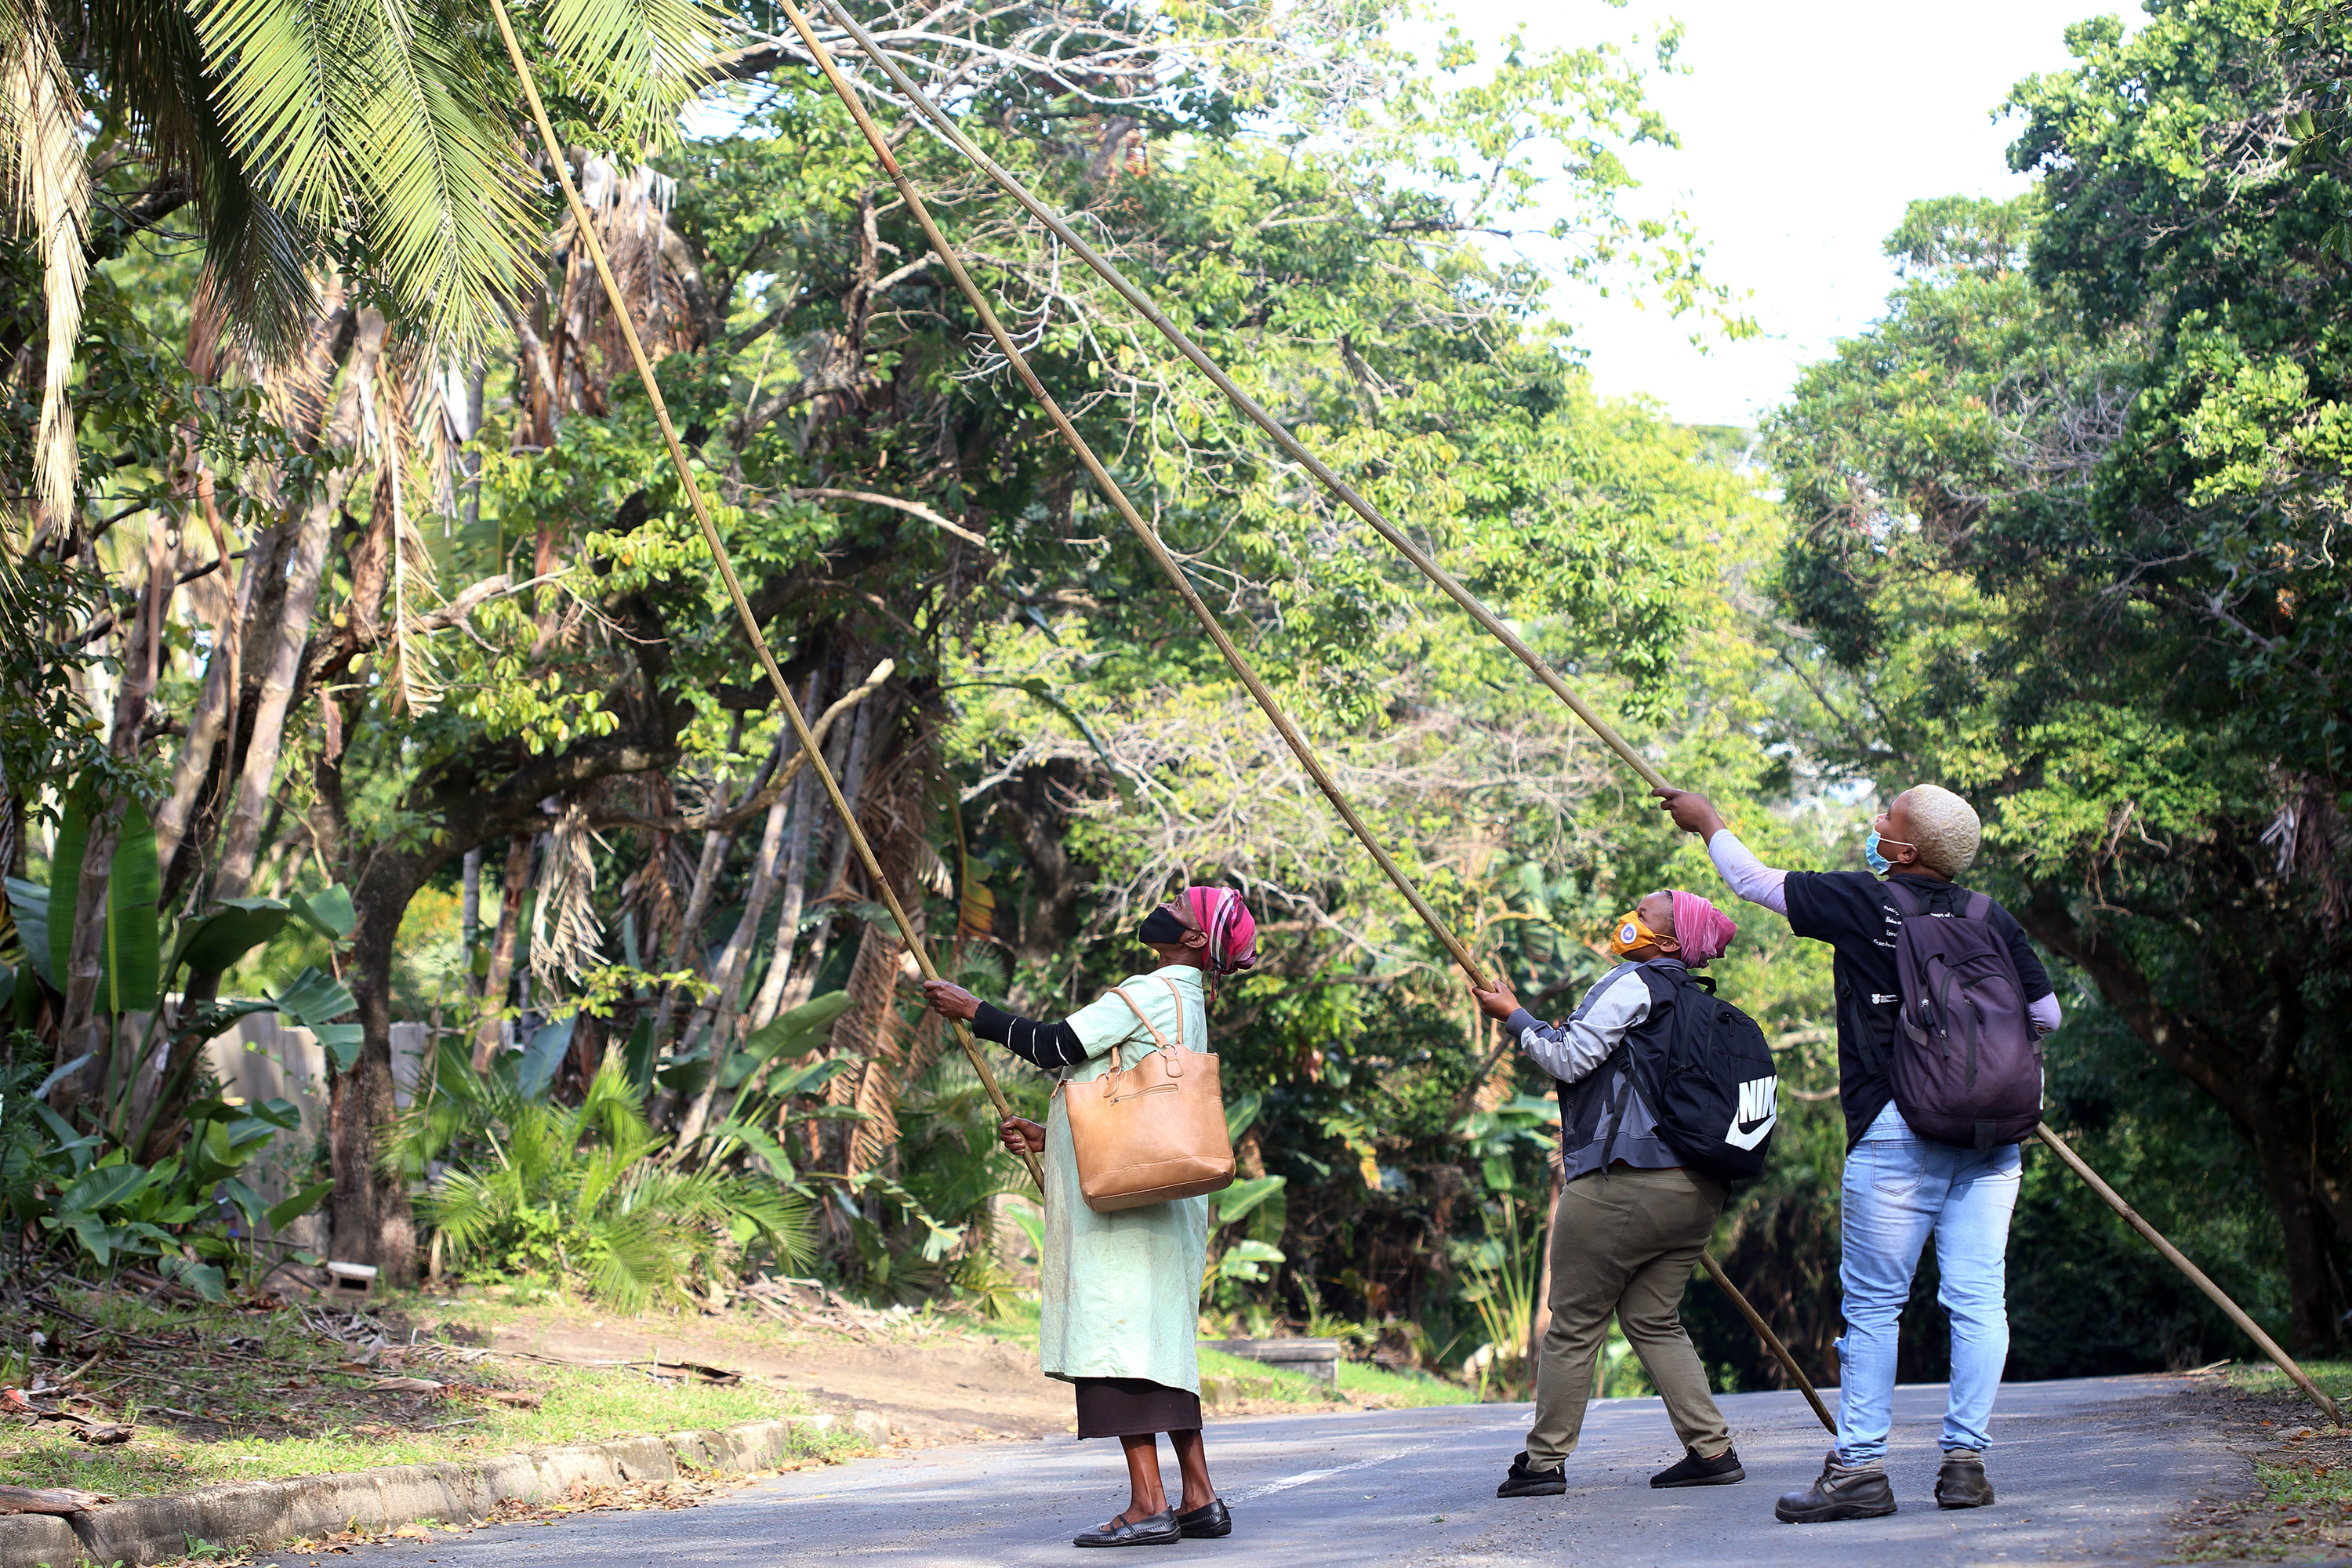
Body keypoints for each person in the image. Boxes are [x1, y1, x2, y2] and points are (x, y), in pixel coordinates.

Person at [1653, 783, 2063, 1523]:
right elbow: (2047, 1015)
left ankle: (1862, 1472)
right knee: (1979, 1303)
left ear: (1904, 852)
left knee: (1875, 1308)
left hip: (1897, 1127)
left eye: (1889, 819)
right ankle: (1965, 1466)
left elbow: (1751, 882)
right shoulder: (1989, 917)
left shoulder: (1865, 902)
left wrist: (1706, 818)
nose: (1877, 824)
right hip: (1995, 1137)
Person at [920, 885, 1258, 1549]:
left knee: (1117, 1340)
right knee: (1160, 1345)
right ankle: (1198, 1497)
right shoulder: (1189, 1001)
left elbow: (1054, 1046)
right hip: (1164, 1203)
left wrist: (974, 1010)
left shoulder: (1154, 991)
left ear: (1193, 940)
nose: (1167, 909)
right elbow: (1140, 1110)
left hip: (1124, 1215)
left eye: (1182, 909)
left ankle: (1147, 1505)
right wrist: (1054, 1136)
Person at [1472, 887, 1749, 1500]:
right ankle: (1712, 1449)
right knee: (1654, 1319)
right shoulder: (1705, 1007)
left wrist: (1515, 1017)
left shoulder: (1634, 982)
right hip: (1698, 1191)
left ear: (1670, 943)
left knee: (1573, 1322)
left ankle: (1543, 1464)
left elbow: (1569, 1059)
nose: (1630, 918)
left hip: (1625, 1181)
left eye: (1644, 914)